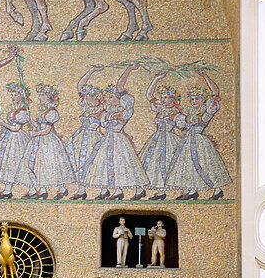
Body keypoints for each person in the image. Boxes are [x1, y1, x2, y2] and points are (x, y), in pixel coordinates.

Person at [81, 64, 148, 200]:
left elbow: (120, 86)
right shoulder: (107, 112)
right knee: (103, 163)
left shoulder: (125, 111)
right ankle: (106, 190)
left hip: (119, 139)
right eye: (109, 97)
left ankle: (135, 190)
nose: (109, 99)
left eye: (112, 97)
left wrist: (128, 70)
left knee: (123, 163)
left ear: (119, 98)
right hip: (107, 139)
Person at [166, 70, 231, 201]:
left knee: (206, 164)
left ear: (203, 100)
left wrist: (205, 76)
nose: (194, 101)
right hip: (188, 141)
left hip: (200, 141)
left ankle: (217, 190)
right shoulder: (189, 112)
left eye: (197, 98)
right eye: (192, 99)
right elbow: (182, 123)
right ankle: (192, 191)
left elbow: (215, 93)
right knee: (187, 165)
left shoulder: (206, 111)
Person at [15, 84, 76, 199]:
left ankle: (62, 189)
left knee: (52, 164)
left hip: (47, 140)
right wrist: (30, 120)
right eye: (40, 95)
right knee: (38, 164)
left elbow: (47, 130)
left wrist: (35, 133)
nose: (40, 98)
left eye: (42, 95)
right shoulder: (44, 111)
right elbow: (39, 126)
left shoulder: (52, 112)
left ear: (48, 97)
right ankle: (42, 190)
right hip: (39, 139)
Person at [141, 75, 185, 199]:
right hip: (157, 138)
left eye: (166, 97)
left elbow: (184, 126)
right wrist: (156, 78)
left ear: (173, 99)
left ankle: (185, 191)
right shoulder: (160, 108)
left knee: (170, 163)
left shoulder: (176, 112)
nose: (163, 100)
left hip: (170, 140)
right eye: (162, 97)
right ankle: (160, 192)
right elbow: (149, 95)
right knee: (153, 164)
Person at [0, 83, 33, 199]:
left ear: (22, 96)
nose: (13, 97)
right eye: (12, 95)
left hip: (17, 138)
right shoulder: (16, 109)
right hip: (9, 136)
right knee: (8, 163)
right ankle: (8, 190)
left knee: (20, 163)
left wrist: (3, 124)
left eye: (16, 95)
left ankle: (32, 189)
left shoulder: (22, 112)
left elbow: (16, 128)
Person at [69, 66, 105, 199]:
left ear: (96, 98)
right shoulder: (86, 107)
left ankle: (103, 190)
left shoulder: (102, 110)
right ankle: (81, 190)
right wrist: (91, 71)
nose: (86, 97)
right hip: (82, 137)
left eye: (89, 96)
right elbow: (80, 86)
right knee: (80, 162)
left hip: (94, 138)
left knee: (96, 163)